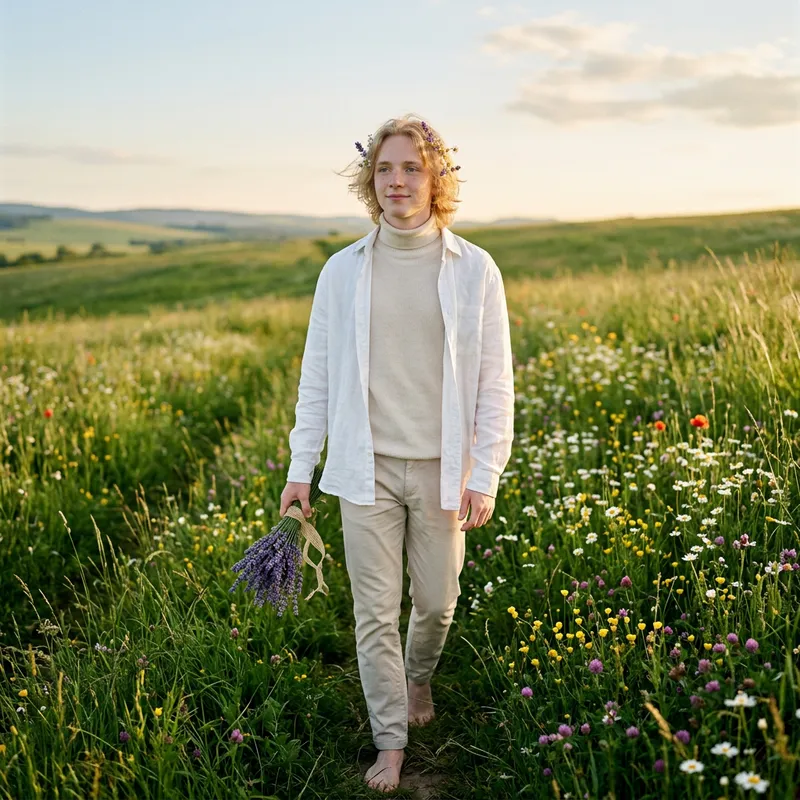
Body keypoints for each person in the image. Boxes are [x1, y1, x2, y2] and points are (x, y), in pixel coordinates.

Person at [280, 114, 515, 792]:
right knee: (374, 611)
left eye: (412, 167)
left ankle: (418, 677)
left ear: (436, 177)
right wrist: (303, 469)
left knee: (438, 601)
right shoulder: (342, 272)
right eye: (385, 168)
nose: (397, 181)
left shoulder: (475, 270)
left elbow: (494, 381)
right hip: (366, 469)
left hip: (444, 467)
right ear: (370, 180)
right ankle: (391, 741)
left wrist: (485, 472)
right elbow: (316, 376)